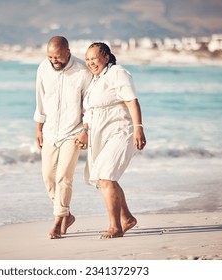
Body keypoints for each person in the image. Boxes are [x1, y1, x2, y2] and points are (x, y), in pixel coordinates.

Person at [77, 42, 146, 239]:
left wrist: (139, 129)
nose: (90, 63)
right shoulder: (95, 81)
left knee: (107, 177)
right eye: (88, 59)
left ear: (106, 57)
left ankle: (115, 227)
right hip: (99, 135)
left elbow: (132, 101)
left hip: (120, 131)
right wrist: (85, 131)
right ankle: (127, 219)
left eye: (94, 58)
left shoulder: (117, 73)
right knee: (105, 178)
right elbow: (90, 111)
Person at [34, 36, 93, 239]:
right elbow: (40, 100)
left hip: (74, 131)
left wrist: (86, 130)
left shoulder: (83, 71)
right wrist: (39, 128)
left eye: (57, 57)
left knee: (63, 177)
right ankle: (66, 214)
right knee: (48, 177)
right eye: (50, 57)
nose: (53, 61)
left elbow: (89, 106)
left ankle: (59, 220)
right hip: (50, 130)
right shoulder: (43, 68)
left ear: (68, 52)